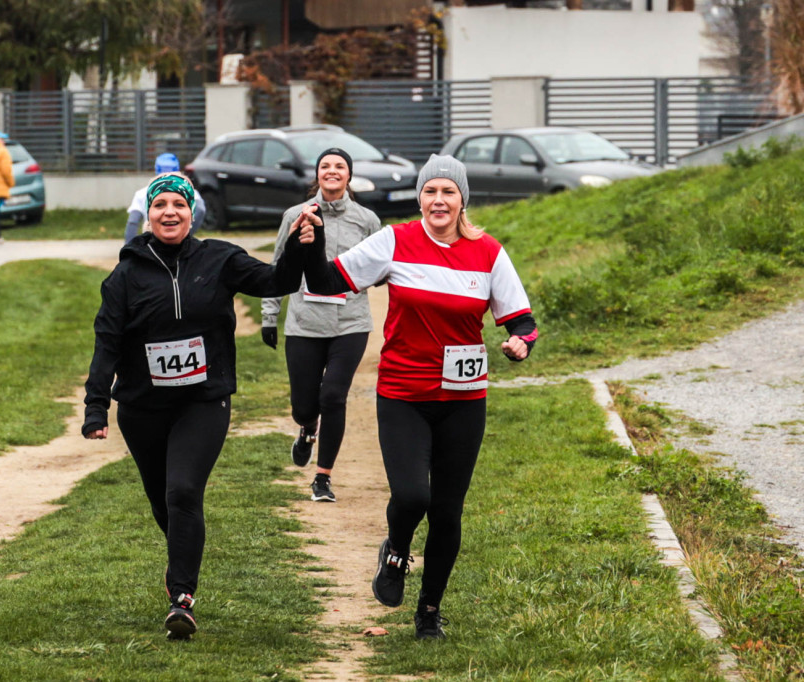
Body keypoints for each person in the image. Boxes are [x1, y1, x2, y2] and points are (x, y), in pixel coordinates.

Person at [295, 154, 539, 640]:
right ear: (419, 199)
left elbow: (522, 322)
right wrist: (312, 244)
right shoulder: (396, 241)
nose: (439, 200)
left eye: (448, 192)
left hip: (464, 399)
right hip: (404, 393)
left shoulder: (488, 252)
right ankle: (395, 551)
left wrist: (519, 344)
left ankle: (429, 611)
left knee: (448, 510)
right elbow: (327, 282)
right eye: (430, 192)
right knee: (412, 495)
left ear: (462, 199)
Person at [82, 173, 314, 640]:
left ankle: (181, 599)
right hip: (143, 408)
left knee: (183, 490)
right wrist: (95, 407)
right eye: (161, 205)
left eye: (179, 205)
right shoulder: (125, 275)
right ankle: (180, 563)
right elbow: (106, 344)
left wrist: (299, 245)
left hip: (204, 401)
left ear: (193, 212)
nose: (170, 212)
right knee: (163, 502)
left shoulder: (220, 258)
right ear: (148, 214)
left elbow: (276, 280)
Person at [260, 148, 381, 503]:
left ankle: (323, 477)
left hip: (351, 324)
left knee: (333, 397)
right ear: (317, 175)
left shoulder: (367, 219)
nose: (332, 171)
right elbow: (278, 266)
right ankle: (307, 428)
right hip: (304, 324)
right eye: (325, 166)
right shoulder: (295, 216)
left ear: (349, 175)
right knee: (304, 405)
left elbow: (382, 263)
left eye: (340, 166)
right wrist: (270, 315)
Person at [125, 154, 205, 242]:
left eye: (179, 204)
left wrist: (130, 248)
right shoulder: (189, 191)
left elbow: (133, 221)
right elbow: (200, 209)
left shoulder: (142, 193)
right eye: (159, 205)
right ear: (178, 169)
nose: (169, 212)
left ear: (156, 169)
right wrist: (185, 233)